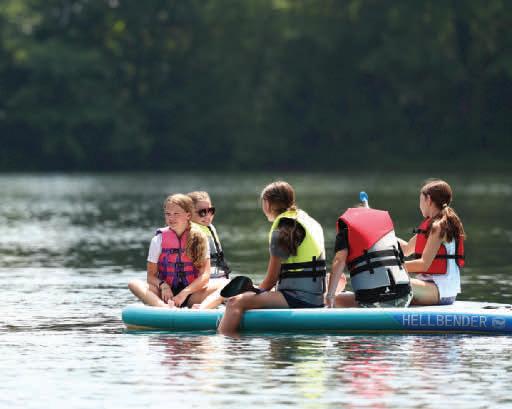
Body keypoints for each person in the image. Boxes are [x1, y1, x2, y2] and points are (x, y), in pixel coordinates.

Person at [218, 181, 327, 335]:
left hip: (298, 299)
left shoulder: (282, 229)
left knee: (234, 302)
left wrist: (254, 293)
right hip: (317, 298)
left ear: (267, 204)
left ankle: (226, 344)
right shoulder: (308, 221)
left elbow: (270, 280)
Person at [326, 199, 412, 308]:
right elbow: (402, 263)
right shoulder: (387, 231)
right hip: (404, 296)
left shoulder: (346, 229)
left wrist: (330, 295)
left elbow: (339, 261)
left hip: (371, 300)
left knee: (334, 299)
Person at [128, 194, 210, 308]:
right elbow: (151, 276)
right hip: (166, 295)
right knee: (134, 284)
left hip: (192, 294)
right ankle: (163, 307)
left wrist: (184, 293)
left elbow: (205, 275)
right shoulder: (158, 240)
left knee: (223, 284)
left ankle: (201, 308)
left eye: (176, 214)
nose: (171, 218)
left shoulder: (200, 238)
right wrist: (163, 286)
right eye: (168, 214)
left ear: (188, 215)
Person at [398, 179, 465, 305]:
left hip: (441, 291)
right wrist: (386, 235)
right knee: (389, 285)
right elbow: (406, 249)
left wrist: (394, 268)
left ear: (428, 200)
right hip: (430, 288)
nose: (419, 206)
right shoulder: (431, 225)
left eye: (420, 200)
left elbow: (423, 265)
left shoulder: (438, 227)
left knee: (393, 282)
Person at [187, 191, 231, 309]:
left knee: (248, 287)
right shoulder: (191, 233)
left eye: (210, 211)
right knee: (234, 286)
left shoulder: (209, 228)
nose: (208, 216)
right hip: (197, 291)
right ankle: (201, 309)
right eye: (202, 212)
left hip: (215, 285)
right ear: (189, 214)